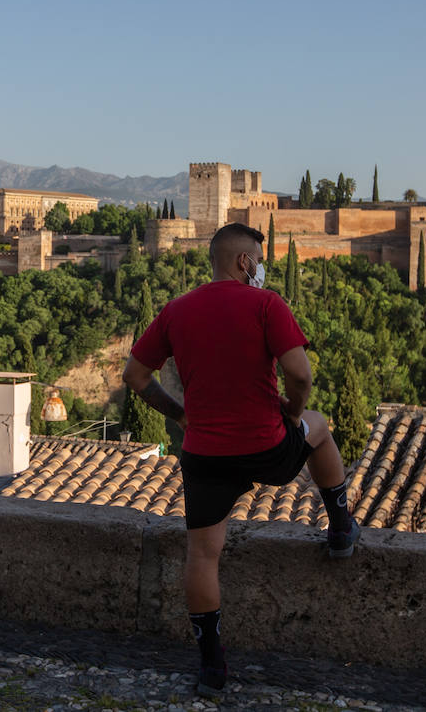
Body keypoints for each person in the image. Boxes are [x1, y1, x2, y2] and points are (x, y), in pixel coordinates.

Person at [122, 221, 360, 698]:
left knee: (203, 554)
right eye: (258, 259)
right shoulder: (267, 303)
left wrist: (182, 415)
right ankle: (339, 527)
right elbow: (299, 374)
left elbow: (136, 375)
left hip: (205, 454)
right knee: (318, 426)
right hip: (266, 446)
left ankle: (212, 665)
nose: (262, 269)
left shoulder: (176, 311)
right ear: (245, 262)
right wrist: (291, 412)